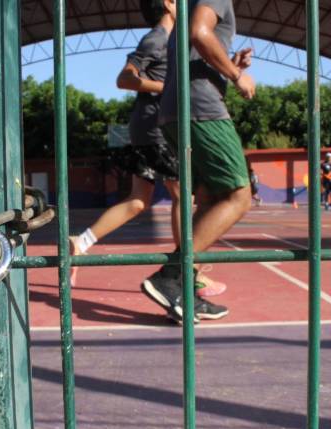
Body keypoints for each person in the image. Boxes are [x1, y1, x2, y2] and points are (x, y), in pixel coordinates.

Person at [69, 0, 226, 298]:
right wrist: (166, 86)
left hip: (148, 127)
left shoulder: (172, 40)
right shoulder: (157, 38)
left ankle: (81, 242)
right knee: (183, 192)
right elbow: (124, 79)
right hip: (156, 128)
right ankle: (186, 274)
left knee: (138, 200)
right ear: (168, 4)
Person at [143, 0, 256, 323]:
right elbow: (199, 33)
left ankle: (184, 290)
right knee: (238, 196)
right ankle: (171, 277)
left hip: (177, 108)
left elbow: (194, 51)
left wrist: (231, 61)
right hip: (201, 108)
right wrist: (237, 75)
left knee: (209, 199)